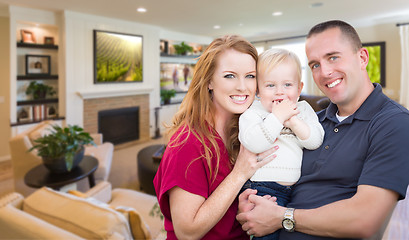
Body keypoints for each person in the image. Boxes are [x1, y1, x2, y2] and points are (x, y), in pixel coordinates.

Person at [237, 20, 409, 240]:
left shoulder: (393, 123)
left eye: (333, 57)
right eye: (315, 64)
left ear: (362, 58)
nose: (325, 72)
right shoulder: (311, 122)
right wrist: (252, 205)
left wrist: (282, 217)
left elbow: (365, 221)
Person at [153, 35, 278, 240]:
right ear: (209, 81)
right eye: (230, 76)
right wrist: (239, 174)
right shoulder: (187, 144)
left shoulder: (248, 131)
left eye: (250, 76)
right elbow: (187, 232)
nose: (243, 87)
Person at [238, 48, 325, 240]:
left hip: (297, 190)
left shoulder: (302, 110)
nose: (280, 91)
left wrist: (293, 121)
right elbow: (253, 143)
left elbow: (315, 141)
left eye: (287, 84)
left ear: (299, 88)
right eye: (270, 85)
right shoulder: (254, 112)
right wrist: (277, 118)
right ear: (258, 90)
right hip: (262, 189)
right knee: (266, 236)